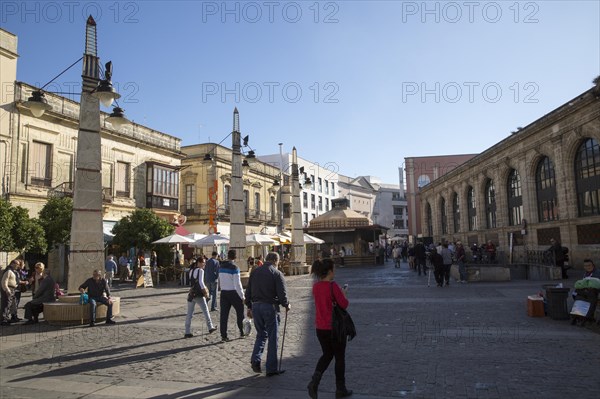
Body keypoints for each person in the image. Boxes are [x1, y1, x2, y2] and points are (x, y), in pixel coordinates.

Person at [307, 258, 353, 399]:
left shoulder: (316, 287)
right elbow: (344, 305)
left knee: (327, 354)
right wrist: (343, 293)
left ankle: (314, 381)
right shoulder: (333, 286)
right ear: (329, 271)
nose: (335, 272)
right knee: (339, 358)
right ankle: (340, 389)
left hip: (320, 328)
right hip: (335, 328)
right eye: (334, 269)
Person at [245, 252, 290, 376]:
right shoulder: (276, 273)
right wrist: (286, 304)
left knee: (261, 334)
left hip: (256, 306)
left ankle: (255, 359)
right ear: (276, 260)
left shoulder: (254, 272)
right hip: (269, 307)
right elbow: (282, 294)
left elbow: (247, 291)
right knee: (272, 336)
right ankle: (271, 368)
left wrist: (249, 306)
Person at [184, 257, 217, 338]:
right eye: (203, 262)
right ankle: (210, 327)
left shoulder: (191, 270)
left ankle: (187, 331)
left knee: (189, 314)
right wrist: (206, 293)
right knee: (206, 311)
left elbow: (191, 282)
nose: (204, 264)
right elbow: (201, 283)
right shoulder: (200, 271)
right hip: (198, 295)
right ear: (198, 262)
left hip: (191, 294)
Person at [218, 249, 245, 342]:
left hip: (224, 292)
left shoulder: (221, 267)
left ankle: (223, 335)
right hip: (233, 292)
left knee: (224, 315)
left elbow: (220, 280)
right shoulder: (235, 267)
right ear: (235, 257)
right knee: (240, 312)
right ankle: (242, 331)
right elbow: (237, 284)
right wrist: (242, 296)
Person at [1, 260, 20, 326]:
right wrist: (7, 290)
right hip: (8, 289)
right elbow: (4, 281)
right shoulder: (8, 271)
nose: (18, 266)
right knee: (6, 304)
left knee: (10, 304)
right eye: (17, 264)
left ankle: (6, 318)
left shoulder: (11, 271)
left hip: (12, 289)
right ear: (13, 264)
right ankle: (3, 319)